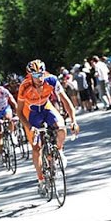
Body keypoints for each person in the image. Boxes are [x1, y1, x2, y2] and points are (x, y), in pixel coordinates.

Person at [17, 59, 80, 196]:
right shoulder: (24, 87)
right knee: (36, 147)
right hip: (31, 112)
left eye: (41, 74)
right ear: (29, 76)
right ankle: (40, 180)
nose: (39, 78)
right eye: (35, 76)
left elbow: (66, 101)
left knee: (61, 127)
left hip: (46, 107)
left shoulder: (51, 80)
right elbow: (19, 112)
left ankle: (59, 151)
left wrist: (74, 120)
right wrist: (29, 127)